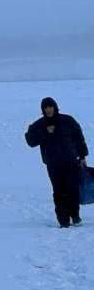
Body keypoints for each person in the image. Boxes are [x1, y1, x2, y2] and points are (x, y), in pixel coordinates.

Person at [25, 97, 89, 228]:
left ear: (55, 107)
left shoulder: (67, 121)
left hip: (71, 162)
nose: (48, 109)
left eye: (50, 106)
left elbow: (79, 138)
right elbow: (30, 141)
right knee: (58, 191)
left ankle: (75, 216)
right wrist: (44, 132)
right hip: (53, 164)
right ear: (43, 110)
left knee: (72, 189)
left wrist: (82, 156)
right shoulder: (40, 125)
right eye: (45, 107)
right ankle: (63, 220)